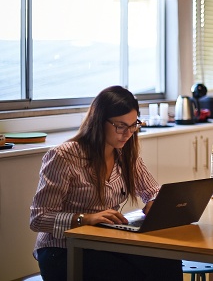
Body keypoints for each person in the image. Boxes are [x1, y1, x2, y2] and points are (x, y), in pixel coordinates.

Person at [30, 86, 182, 281]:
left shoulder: (126, 154)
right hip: (61, 250)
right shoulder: (63, 156)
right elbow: (38, 218)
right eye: (120, 126)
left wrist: (156, 202)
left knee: (167, 261)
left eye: (133, 125)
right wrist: (85, 218)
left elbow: (152, 190)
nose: (127, 133)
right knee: (128, 274)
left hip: (105, 242)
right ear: (98, 121)